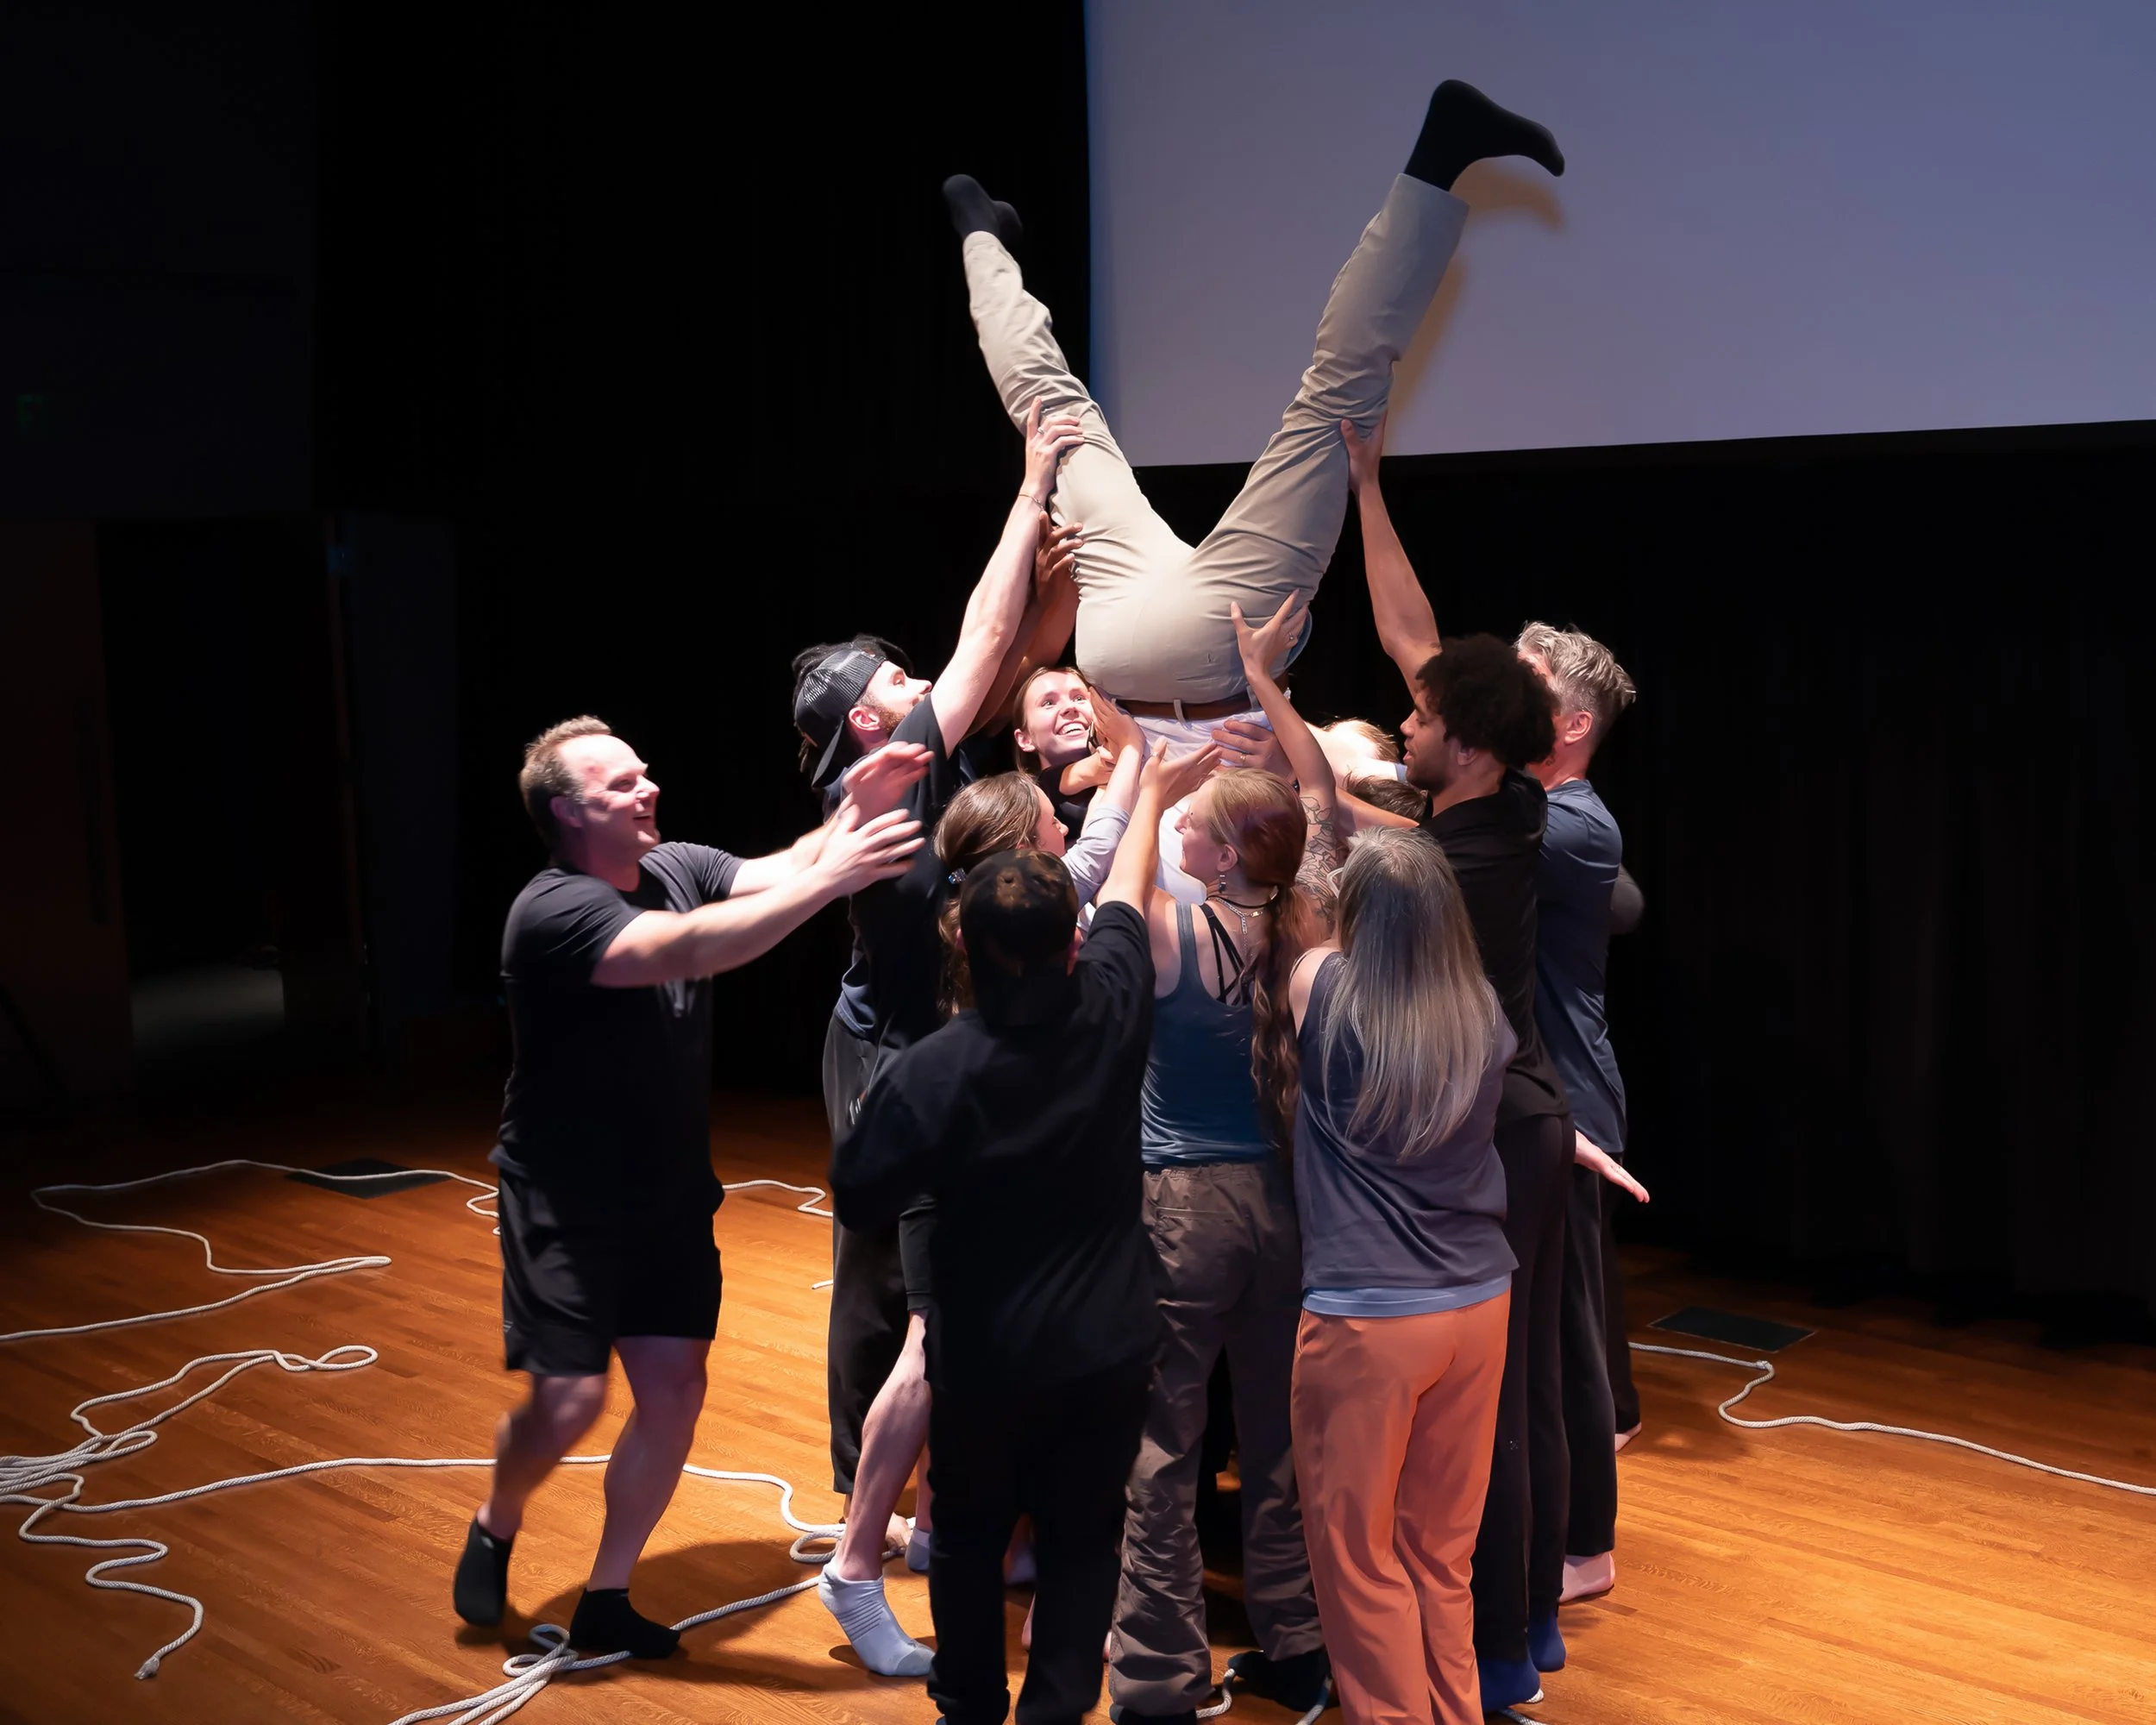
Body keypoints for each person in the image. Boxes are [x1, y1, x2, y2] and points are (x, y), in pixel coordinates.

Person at [451, 716, 924, 1654]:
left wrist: (855, 810)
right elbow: (691, 947)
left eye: (645, 772)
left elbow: (782, 864)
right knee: (570, 1402)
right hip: (565, 1198)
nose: (648, 790)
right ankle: (497, 1518)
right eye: (622, 785)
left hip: (666, 1191)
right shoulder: (551, 912)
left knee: (673, 1390)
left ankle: (608, 1593)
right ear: (567, 812)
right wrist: (835, 873)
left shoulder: (677, 862)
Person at [941, 79, 1562, 742]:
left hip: (1183, 650)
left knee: (1331, 395)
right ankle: (981, 235)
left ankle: (981, 237)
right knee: (1057, 411)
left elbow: (1409, 646)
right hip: (1134, 648)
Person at [790, 399, 1088, 1676]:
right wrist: (1028, 489)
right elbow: (980, 647)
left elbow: (999, 667)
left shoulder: (907, 763)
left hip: (917, 1051)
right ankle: (863, 1555)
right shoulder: (887, 770)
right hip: (901, 1065)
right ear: (870, 720)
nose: (922, 693)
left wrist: (1055, 608)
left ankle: (901, 1522)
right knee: (914, 1313)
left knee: (918, 1308)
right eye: (898, 689)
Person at [830, 745, 1184, 1725]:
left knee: (971, 1538)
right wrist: (1150, 786)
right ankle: (1054, 1710)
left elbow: (860, 1195)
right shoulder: (1114, 1003)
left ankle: (969, 1708)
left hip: (985, 1360)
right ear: (1072, 943)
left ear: (965, 944)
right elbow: (1123, 885)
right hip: (1107, 1349)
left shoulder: (934, 1070)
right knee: (1081, 1545)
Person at [1345, 416, 1575, 1712]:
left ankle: (1493, 1657)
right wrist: (1371, 485)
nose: (1404, 719)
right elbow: (1411, 633)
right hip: (1532, 1123)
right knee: (1529, 1388)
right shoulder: (1507, 797)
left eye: (1420, 722)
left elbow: (1342, 814)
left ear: (1466, 746)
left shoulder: (1460, 852)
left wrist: (1265, 716)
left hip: (1498, 1135)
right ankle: (1528, 1633)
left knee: (1487, 1415)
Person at [1108, 599, 1338, 1725]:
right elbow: (1330, 811)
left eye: (1200, 825)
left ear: (1227, 847)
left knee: (1166, 1445)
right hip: (1283, 1213)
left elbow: (1113, 889)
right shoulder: (1307, 932)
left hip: (1186, 1211)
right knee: (1280, 1443)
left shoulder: (1167, 931)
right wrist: (1265, 687)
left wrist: (1147, 786)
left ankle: (1156, 1677)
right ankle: (1296, 1647)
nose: (1182, 834)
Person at [1284, 830, 1518, 1725]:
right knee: (1439, 1553)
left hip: (1366, 1317)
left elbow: (1312, 950)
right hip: (1477, 1306)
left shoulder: (1322, 985)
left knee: (1356, 1557)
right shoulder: (1484, 1013)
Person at [1514, 622, 1647, 1606]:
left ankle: (1586, 1547)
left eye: (1522, 684)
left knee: (1567, 1336)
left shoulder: (1570, 823)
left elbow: (1416, 839)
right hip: (1541, 1094)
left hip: (1570, 1102)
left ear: (1571, 723)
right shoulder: (1532, 805)